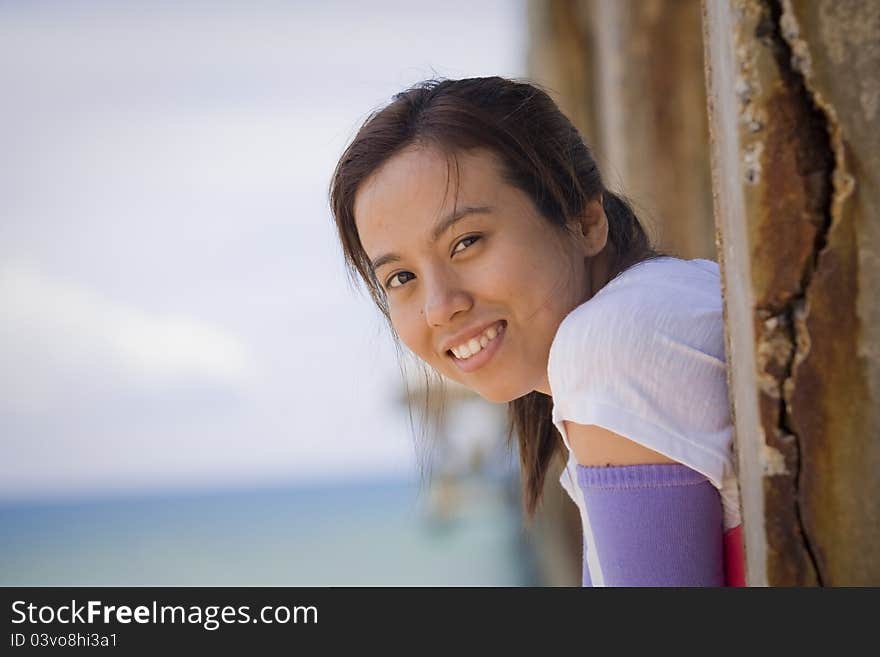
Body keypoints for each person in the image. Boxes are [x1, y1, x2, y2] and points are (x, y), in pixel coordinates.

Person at [329, 76, 745, 587]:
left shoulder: (610, 342)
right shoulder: (676, 294)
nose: (440, 307)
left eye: (467, 242)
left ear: (585, 218)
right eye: (401, 278)